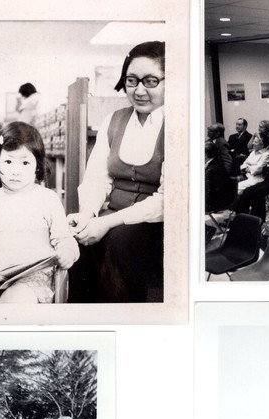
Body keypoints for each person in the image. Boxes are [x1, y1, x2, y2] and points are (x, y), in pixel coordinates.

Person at [66, 41, 165, 303]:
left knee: (119, 241)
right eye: (132, 81)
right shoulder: (115, 120)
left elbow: (167, 201)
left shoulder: (178, 125)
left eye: (151, 81)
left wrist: (106, 222)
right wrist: (88, 215)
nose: (139, 90)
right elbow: (98, 178)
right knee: (76, 240)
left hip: (156, 224)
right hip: (111, 218)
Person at [0, 122, 79, 304]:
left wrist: (68, 253)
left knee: (15, 300)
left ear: (37, 166)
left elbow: (64, 239)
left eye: (25, 162)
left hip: (34, 278)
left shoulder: (48, 199)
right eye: (8, 161)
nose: (15, 171)